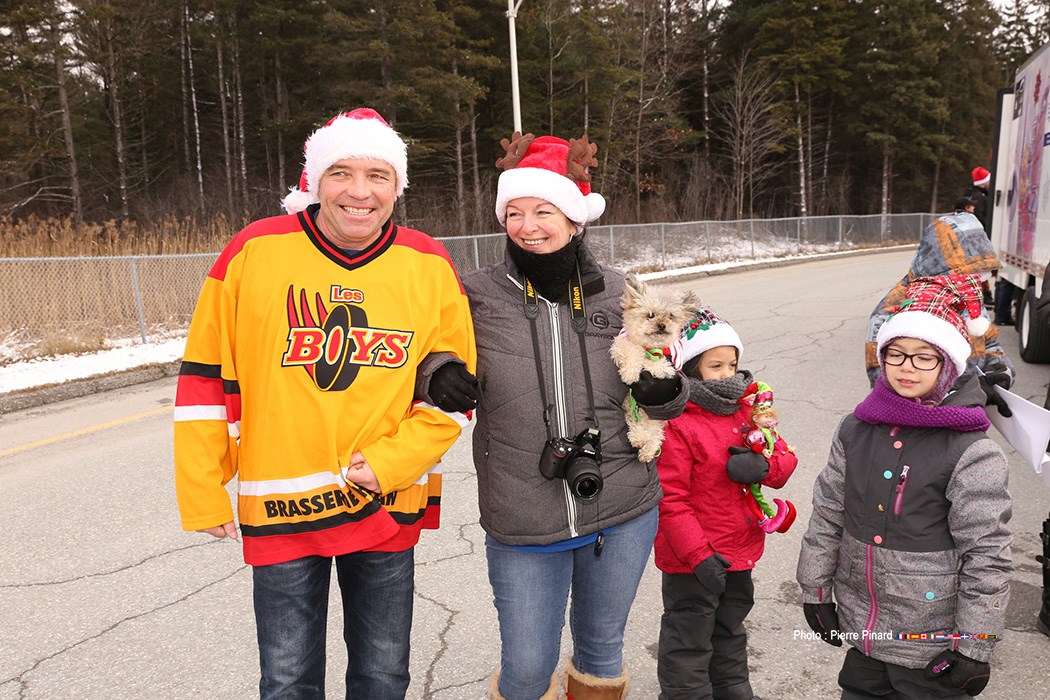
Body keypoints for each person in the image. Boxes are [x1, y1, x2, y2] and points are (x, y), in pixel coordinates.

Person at [173, 108, 476, 699]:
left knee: (383, 675)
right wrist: (202, 485)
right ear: (314, 180)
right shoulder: (253, 250)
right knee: (287, 680)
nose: (359, 191)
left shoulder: (428, 262)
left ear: (398, 187)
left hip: (383, 501)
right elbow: (206, 376)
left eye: (378, 175)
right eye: (341, 172)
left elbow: (455, 392)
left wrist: (390, 464)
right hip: (281, 503)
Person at [424, 132, 687, 700]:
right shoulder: (473, 295)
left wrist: (664, 389)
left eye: (544, 210)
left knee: (600, 652)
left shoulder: (619, 294)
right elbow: (423, 347)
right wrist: (437, 371)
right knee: (525, 670)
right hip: (522, 512)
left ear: (574, 219)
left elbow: (672, 380)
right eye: (514, 212)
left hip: (622, 505)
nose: (528, 225)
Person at [798, 274, 1013, 699]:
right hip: (865, 635)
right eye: (895, 354)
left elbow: (987, 555)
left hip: (930, 649)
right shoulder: (856, 429)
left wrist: (975, 645)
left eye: (923, 357)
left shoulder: (971, 451)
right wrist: (815, 590)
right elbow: (828, 512)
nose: (906, 368)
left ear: (948, 363)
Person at [654, 308, 797, 700]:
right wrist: (698, 555)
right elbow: (670, 500)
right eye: (715, 365)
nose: (727, 374)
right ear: (690, 367)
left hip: (740, 549)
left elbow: (784, 461)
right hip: (692, 559)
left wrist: (764, 465)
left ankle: (733, 690)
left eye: (732, 364)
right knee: (689, 638)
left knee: (730, 629)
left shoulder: (748, 411)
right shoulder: (679, 422)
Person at [864, 208, 1015, 416]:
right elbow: (888, 383)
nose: (974, 283)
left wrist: (1001, 372)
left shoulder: (968, 299)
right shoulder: (894, 309)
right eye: (968, 273)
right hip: (917, 428)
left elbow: (990, 344)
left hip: (967, 418)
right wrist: (969, 393)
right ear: (939, 268)